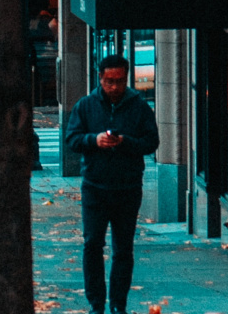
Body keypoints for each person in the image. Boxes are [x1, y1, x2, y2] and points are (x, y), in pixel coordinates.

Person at [65, 54, 158, 314]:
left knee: (123, 248)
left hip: (127, 188)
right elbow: (72, 138)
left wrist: (125, 142)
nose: (114, 87)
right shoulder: (86, 106)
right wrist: (94, 141)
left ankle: (118, 304)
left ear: (126, 79)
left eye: (118, 81)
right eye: (108, 81)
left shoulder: (139, 107)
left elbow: (152, 142)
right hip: (95, 186)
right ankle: (96, 303)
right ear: (100, 78)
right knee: (92, 244)